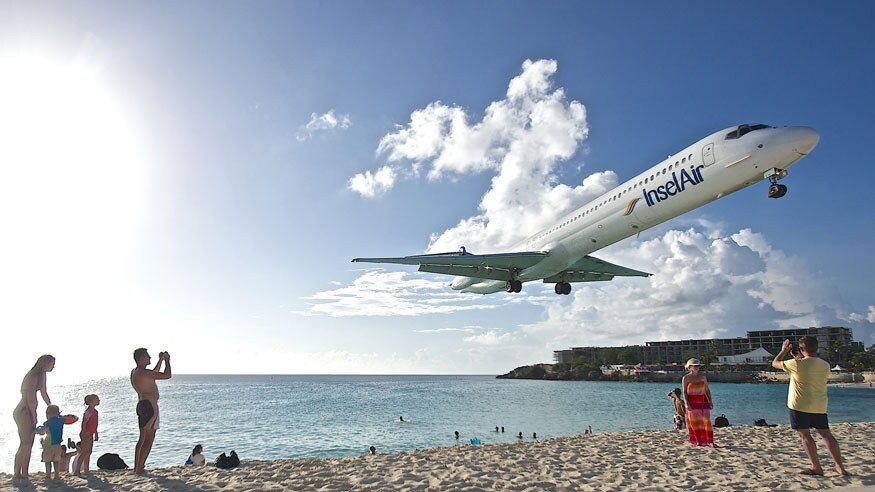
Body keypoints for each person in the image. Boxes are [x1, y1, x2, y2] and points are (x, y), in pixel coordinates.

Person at [772, 337, 849, 476]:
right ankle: (840, 467)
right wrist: (798, 357)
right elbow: (808, 365)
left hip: (799, 405)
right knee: (827, 435)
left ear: (802, 349)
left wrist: (783, 351)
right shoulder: (825, 365)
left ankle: (816, 467)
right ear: (816, 348)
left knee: (805, 435)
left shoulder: (796, 364)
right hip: (819, 405)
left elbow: (775, 363)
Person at [12, 354, 55, 479]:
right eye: (51, 364)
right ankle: (19, 473)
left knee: (27, 443)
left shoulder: (41, 375)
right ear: (45, 363)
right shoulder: (33, 376)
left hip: (27, 410)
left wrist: (51, 407)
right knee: (25, 443)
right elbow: (30, 398)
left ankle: (22, 472)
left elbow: (43, 393)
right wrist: (33, 415)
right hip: (24, 411)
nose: (53, 367)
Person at [131, 348, 172, 474]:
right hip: (150, 407)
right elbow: (167, 375)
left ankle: (137, 466)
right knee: (149, 439)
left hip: (143, 405)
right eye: (147, 356)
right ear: (141, 358)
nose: (150, 358)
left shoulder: (136, 372)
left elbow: (153, 372)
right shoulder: (143, 373)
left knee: (142, 438)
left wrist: (160, 360)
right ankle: (140, 468)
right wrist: (167, 361)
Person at [38, 405, 78, 480]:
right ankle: (56, 475)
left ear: (48, 414)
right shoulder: (61, 420)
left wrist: (38, 431)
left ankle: (48, 475)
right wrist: (62, 416)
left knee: (48, 461)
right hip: (58, 444)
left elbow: (43, 432)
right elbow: (75, 418)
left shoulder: (48, 422)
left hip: (49, 444)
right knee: (56, 461)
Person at [682, 358, 715, 447]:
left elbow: (707, 390)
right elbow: (684, 392)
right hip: (692, 401)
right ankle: (698, 440)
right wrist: (686, 403)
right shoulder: (686, 378)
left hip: (703, 401)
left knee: (706, 421)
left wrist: (710, 401)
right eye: (695, 366)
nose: (697, 368)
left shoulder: (703, 378)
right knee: (695, 422)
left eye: (698, 366)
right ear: (689, 367)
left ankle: (710, 441)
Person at [75, 394, 99, 475]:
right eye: (97, 399)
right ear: (92, 401)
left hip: (91, 432)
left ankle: (86, 470)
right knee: (85, 451)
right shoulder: (89, 411)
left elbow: (95, 424)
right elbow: (84, 422)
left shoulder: (95, 411)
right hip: (86, 433)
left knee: (89, 451)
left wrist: (96, 433)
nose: (99, 400)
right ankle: (77, 470)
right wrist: (83, 431)